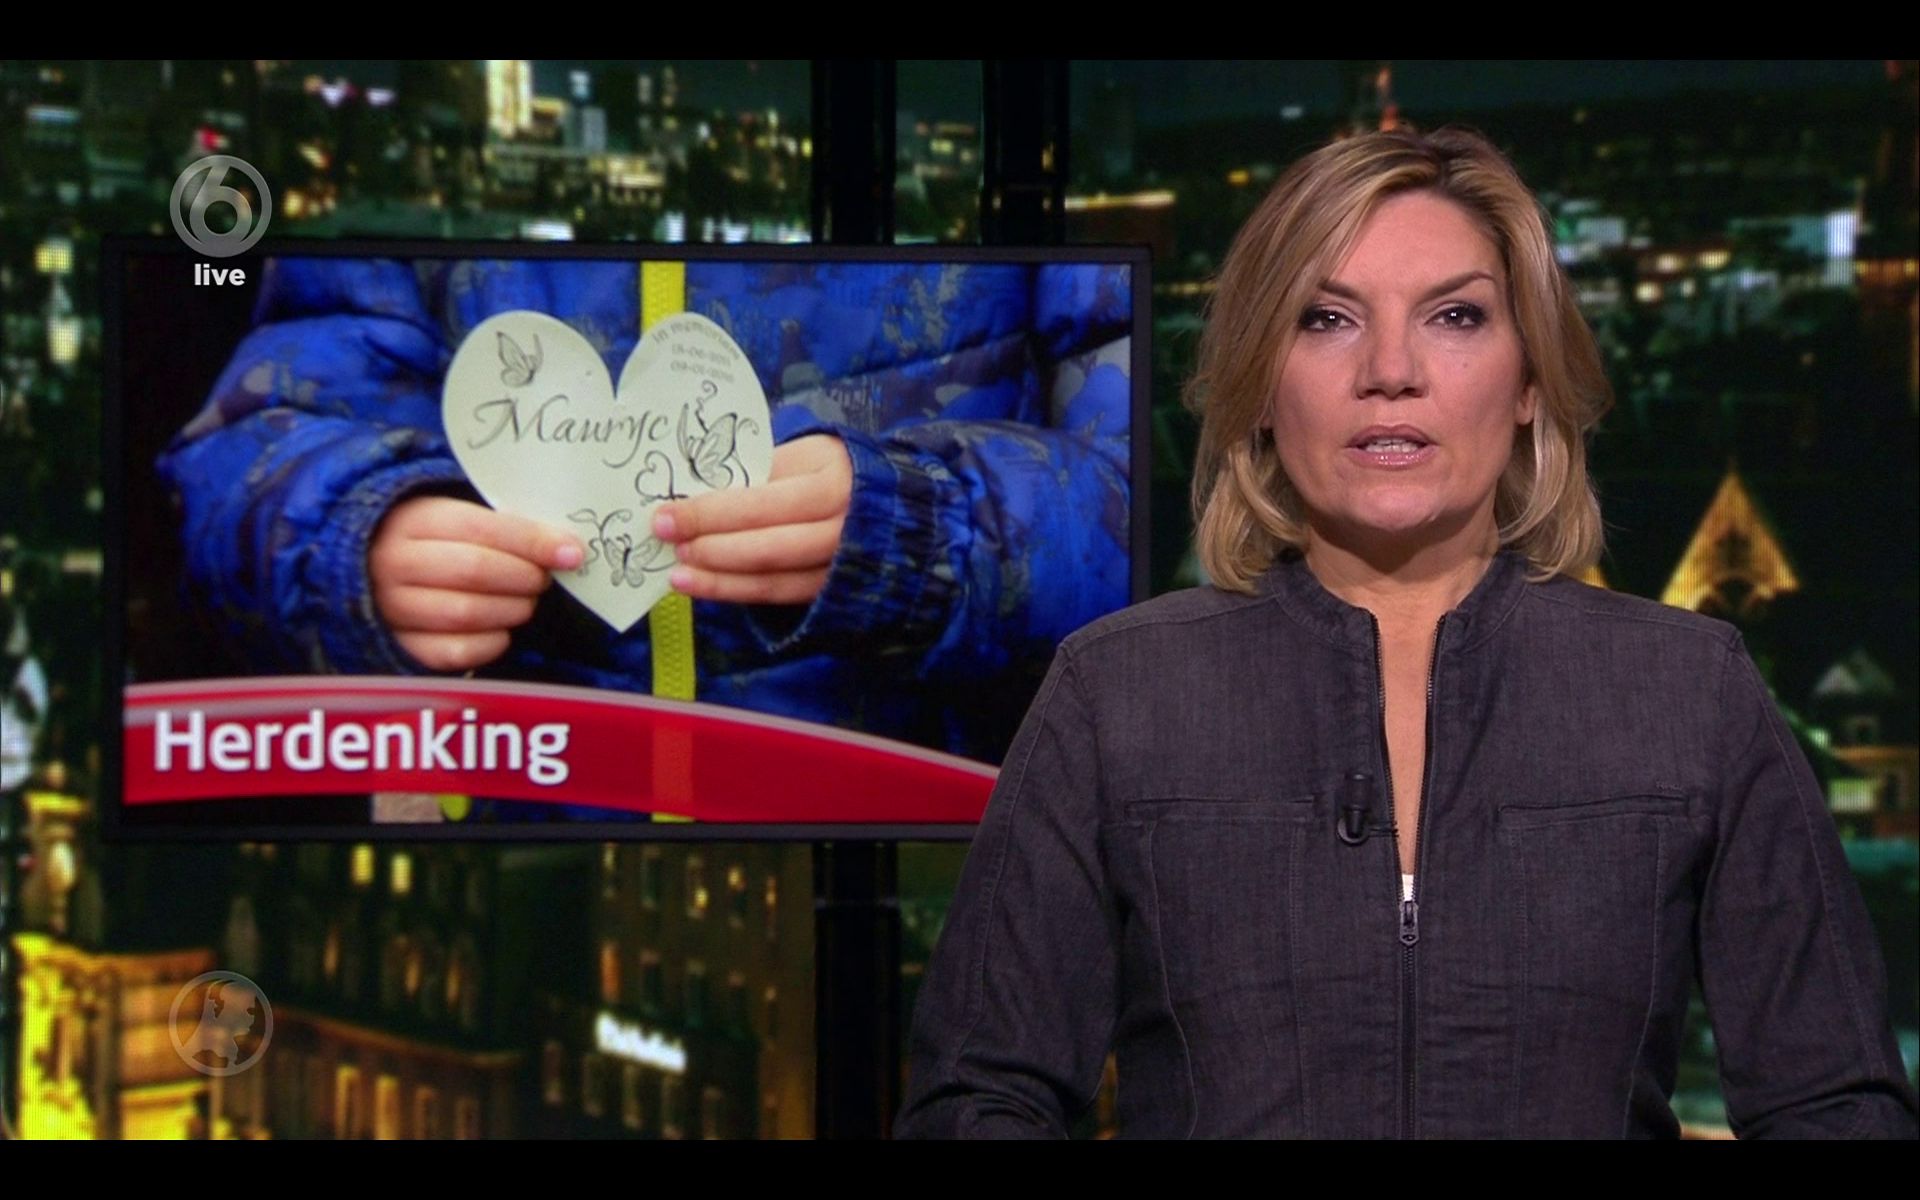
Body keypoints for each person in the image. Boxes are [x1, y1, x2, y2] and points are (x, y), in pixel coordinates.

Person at [894, 126, 1919, 1138]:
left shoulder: (1690, 689)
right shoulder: (1116, 693)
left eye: (1456, 316)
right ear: (1259, 385)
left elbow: (1836, 1104)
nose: (1391, 369)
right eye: (1326, 318)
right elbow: (978, 1097)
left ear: (1529, 381)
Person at [156, 258, 1133, 784]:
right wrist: (354, 539)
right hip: (528, 829)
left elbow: (1155, 488)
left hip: (929, 822)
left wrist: (931, 533)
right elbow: (251, 441)